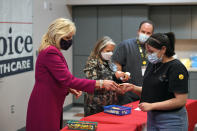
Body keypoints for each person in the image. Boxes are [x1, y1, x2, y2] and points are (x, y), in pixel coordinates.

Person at [26, 18, 119, 131]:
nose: (70, 40)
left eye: (71, 37)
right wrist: (100, 83)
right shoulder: (50, 52)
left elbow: (57, 78)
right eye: (67, 37)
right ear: (57, 35)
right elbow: (69, 79)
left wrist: (68, 88)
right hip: (45, 102)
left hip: (50, 100)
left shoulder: (52, 50)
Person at [123, 32, 188, 131]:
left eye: (151, 51)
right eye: (147, 51)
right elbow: (152, 91)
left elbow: (180, 100)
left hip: (172, 120)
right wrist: (133, 88)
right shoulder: (153, 64)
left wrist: (152, 105)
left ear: (163, 49)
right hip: (153, 118)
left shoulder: (176, 67)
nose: (149, 55)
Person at [112, 20, 154, 105]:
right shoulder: (126, 45)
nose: (145, 35)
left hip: (146, 92)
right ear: (138, 31)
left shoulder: (153, 48)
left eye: (148, 33)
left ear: (152, 35)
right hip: (128, 93)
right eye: (143, 32)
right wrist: (120, 76)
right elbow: (117, 63)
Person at [83, 36, 128, 116]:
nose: (110, 53)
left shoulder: (110, 62)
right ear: (100, 49)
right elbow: (92, 81)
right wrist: (114, 75)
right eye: (108, 51)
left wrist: (121, 78)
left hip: (110, 103)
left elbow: (113, 78)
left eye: (112, 51)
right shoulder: (92, 62)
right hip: (95, 105)